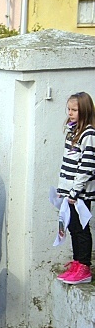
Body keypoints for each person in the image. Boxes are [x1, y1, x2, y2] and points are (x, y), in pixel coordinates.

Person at [56, 92, 95, 285]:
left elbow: (86, 165)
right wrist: (62, 188)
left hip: (79, 193)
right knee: (71, 226)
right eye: (69, 109)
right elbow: (68, 162)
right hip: (69, 191)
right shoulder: (73, 131)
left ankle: (84, 266)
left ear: (85, 110)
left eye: (74, 110)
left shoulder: (89, 134)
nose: (70, 113)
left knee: (80, 228)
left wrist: (74, 191)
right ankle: (78, 261)